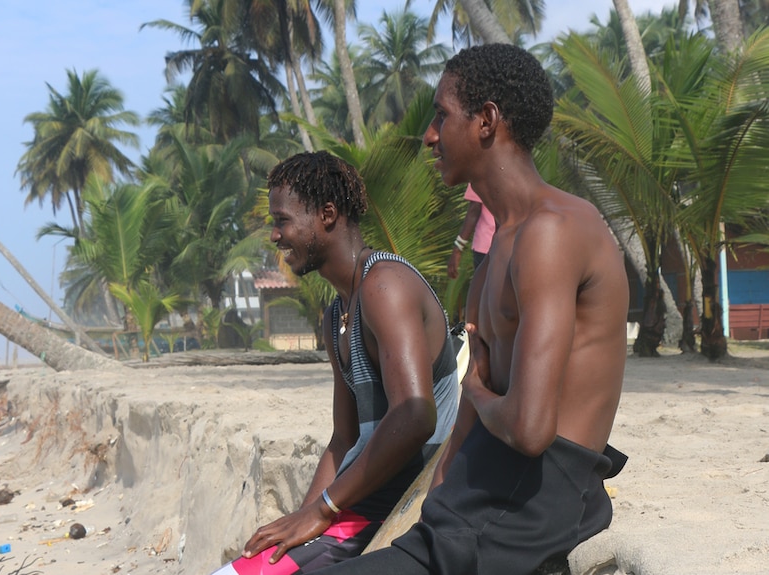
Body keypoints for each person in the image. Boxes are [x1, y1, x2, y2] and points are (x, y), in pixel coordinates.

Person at [314, 43, 629, 575]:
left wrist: (477, 388)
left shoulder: (551, 233)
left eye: (442, 114)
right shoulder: (496, 253)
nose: (429, 134)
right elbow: (464, 426)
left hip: (528, 504)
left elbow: (530, 429)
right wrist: (435, 503)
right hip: (473, 501)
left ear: (486, 121)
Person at [210, 151, 459, 575]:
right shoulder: (337, 314)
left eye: (282, 220)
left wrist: (324, 509)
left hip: (391, 504)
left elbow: (416, 414)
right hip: (355, 504)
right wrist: (301, 519)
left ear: (327, 214)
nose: (275, 236)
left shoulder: (385, 287)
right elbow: (343, 440)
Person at [447, 184, 495, 279]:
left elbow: (474, 210)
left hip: (485, 247)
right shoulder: (520, 171)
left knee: (483, 290)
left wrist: (458, 248)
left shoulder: (480, 171)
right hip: (511, 244)